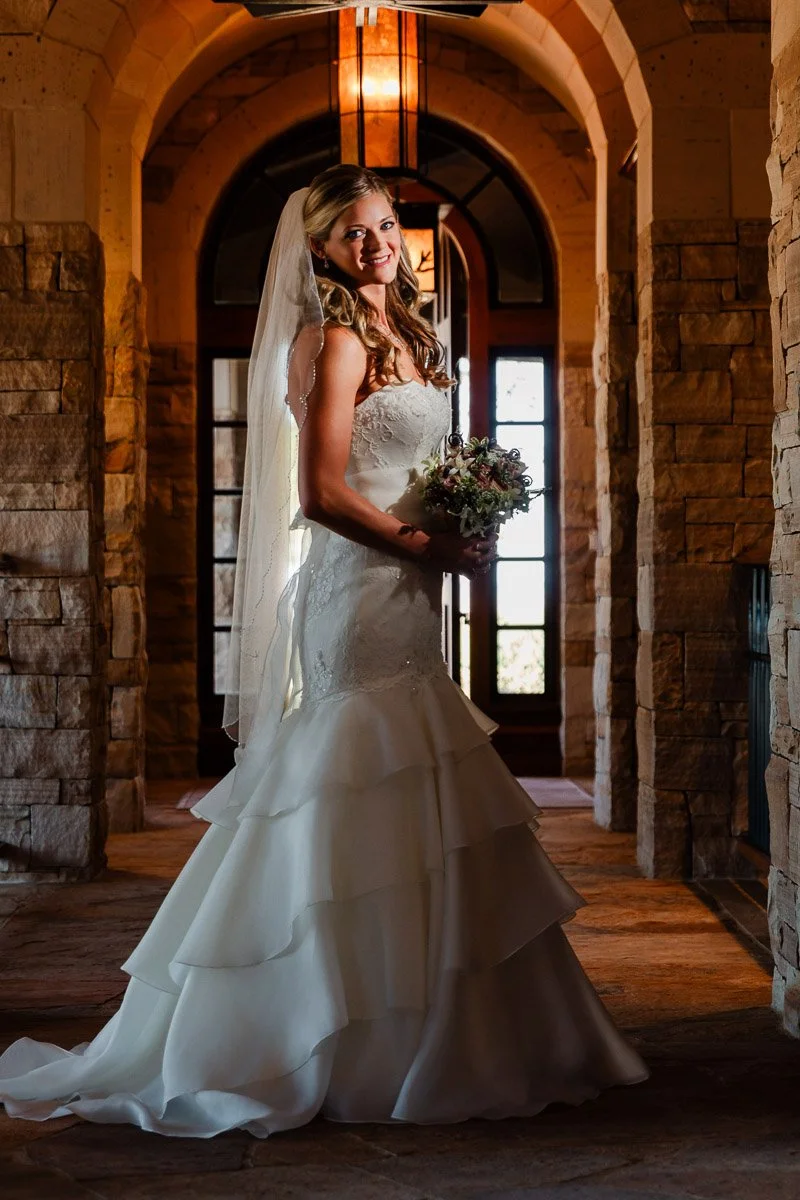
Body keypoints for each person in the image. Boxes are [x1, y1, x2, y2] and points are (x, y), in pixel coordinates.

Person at [0, 165, 648, 1137]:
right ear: (320, 251)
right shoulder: (334, 341)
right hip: (358, 599)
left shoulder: (413, 339)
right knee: (345, 782)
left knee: (416, 787)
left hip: (410, 590)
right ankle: (318, 1033)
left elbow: (415, 471)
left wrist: (462, 519)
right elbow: (321, 494)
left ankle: (436, 1026)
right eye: (352, 233)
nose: (375, 244)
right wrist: (425, 543)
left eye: (385, 225)